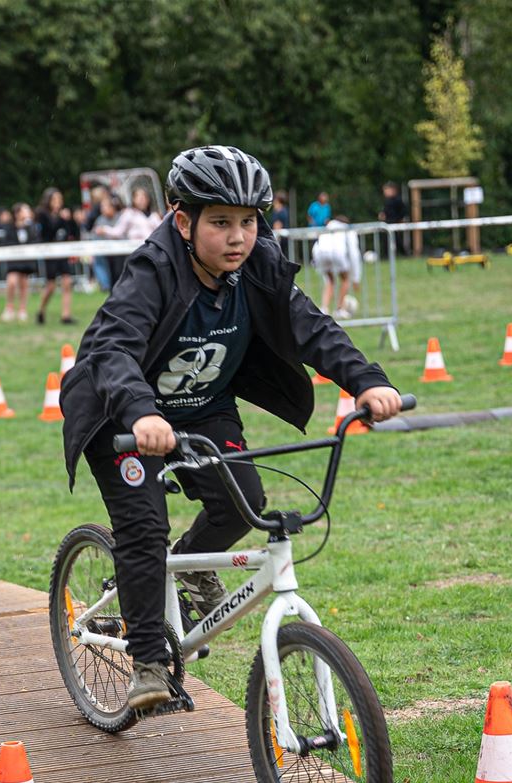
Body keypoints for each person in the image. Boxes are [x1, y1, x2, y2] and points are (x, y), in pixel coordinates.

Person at [60, 146, 401, 710]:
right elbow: (115, 349)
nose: (238, 237)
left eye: (248, 221)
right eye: (220, 222)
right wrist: (142, 413)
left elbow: (310, 326)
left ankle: (192, 566)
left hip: (202, 406)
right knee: (144, 527)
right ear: (183, 221)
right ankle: (147, 661)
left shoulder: (258, 265)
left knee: (244, 501)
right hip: (120, 413)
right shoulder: (153, 271)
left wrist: (366, 380)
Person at [35, 187, 77, 325]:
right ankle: (41, 311)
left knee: (67, 282)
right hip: (50, 253)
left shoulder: (63, 216)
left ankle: (66, 315)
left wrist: (68, 220)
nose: (58, 202)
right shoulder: (42, 215)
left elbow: (70, 233)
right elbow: (45, 234)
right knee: (51, 286)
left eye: (60, 199)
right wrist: (58, 218)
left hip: (62, 252)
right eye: (55, 199)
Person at [311, 215, 362, 320]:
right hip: (337, 252)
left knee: (330, 281)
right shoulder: (348, 229)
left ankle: (324, 308)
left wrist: (317, 265)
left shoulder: (327, 227)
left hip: (320, 252)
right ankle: (339, 309)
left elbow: (317, 245)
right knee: (345, 278)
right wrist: (356, 279)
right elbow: (354, 253)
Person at [0, 203, 39, 322]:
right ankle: (9, 308)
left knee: (24, 285)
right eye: (25, 210)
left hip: (26, 260)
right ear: (17, 213)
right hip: (14, 260)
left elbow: (35, 241)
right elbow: (6, 243)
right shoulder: (9, 227)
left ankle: (22, 309)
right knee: (11, 282)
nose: (28, 212)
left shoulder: (31, 227)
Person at [377, 181, 409, 257]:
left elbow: (403, 211)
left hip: (394, 222)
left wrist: (400, 219)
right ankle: (386, 255)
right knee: (387, 239)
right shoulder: (386, 201)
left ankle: (403, 254)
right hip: (387, 223)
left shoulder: (397, 200)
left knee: (396, 239)